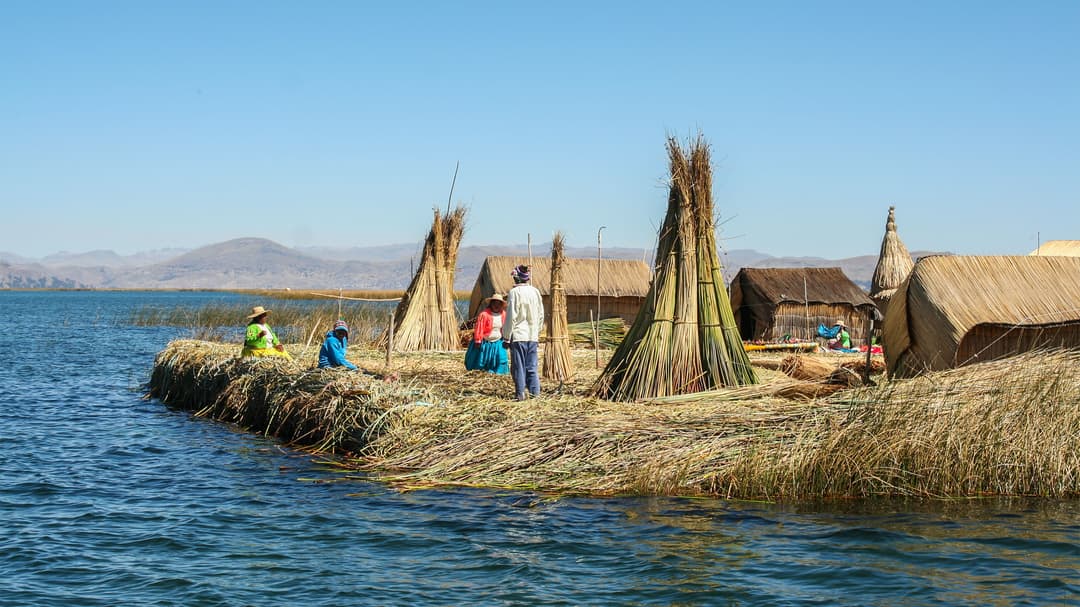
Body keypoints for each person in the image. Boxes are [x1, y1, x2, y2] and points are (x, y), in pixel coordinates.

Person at [502, 265, 544, 400]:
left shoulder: (514, 293)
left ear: (516, 277)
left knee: (518, 366)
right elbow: (541, 314)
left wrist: (506, 337)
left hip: (519, 335)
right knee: (531, 367)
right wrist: (537, 332)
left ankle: (520, 394)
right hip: (532, 336)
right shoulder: (535, 292)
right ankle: (535, 395)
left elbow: (511, 316)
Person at [465, 294, 509, 374]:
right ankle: (482, 370)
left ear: (501, 305)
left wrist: (507, 338)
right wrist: (478, 340)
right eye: (494, 303)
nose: (496, 305)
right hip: (486, 341)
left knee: (500, 357)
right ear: (491, 304)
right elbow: (479, 328)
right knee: (482, 359)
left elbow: (506, 327)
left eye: (499, 303)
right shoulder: (484, 314)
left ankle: (499, 372)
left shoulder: (504, 314)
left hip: (498, 341)